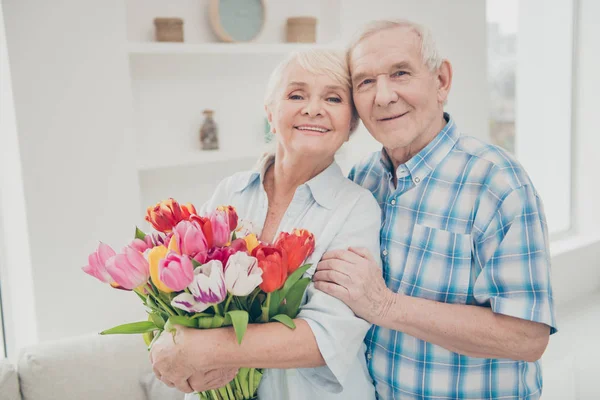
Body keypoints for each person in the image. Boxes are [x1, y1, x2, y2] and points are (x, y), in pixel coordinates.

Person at [313, 20, 558, 399]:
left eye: (400, 73)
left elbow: (527, 337)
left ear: (441, 80)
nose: (383, 96)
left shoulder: (498, 183)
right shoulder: (361, 179)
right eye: (365, 82)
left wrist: (385, 305)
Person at [149, 49, 380, 400]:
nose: (313, 108)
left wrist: (199, 349)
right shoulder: (230, 191)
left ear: (350, 125)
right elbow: (189, 292)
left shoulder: (357, 208)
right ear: (270, 114)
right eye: (296, 95)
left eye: (333, 98)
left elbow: (324, 338)